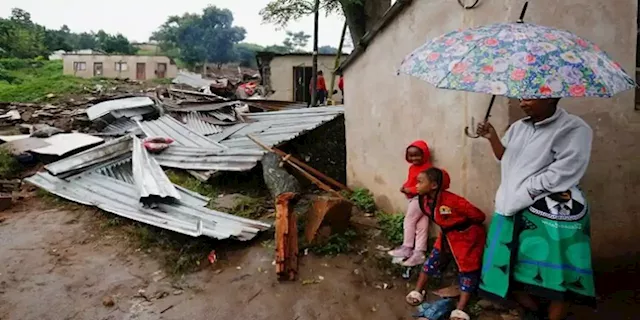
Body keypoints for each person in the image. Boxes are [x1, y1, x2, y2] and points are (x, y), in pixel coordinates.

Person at [476, 98, 595, 320]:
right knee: (508, 265)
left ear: (552, 97)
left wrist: (528, 190)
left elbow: (565, 169)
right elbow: (505, 158)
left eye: (531, 96)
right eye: (522, 96)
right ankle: (533, 310)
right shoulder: (518, 127)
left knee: (558, 269)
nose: (523, 102)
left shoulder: (574, 128)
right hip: (511, 204)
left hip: (553, 212)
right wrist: (492, 137)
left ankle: (554, 315)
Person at [405, 168, 486, 320]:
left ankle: (461, 308)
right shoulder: (425, 199)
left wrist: (461, 227)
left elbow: (478, 215)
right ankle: (418, 290)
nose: (416, 185)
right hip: (447, 235)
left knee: (467, 269)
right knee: (432, 260)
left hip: (465, 237)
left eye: (420, 182)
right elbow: (409, 190)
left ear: (433, 185)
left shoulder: (453, 201)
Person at [388, 140, 433, 266]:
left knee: (409, 221)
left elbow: (425, 186)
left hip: (421, 198)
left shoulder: (427, 170)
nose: (414, 158)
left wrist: (410, 190)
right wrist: (405, 187)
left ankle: (407, 247)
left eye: (417, 155)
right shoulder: (413, 168)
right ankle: (419, 251)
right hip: (416, 198)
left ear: (425, 154)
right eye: (411, 156)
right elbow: (411, 181)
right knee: (421, 224)